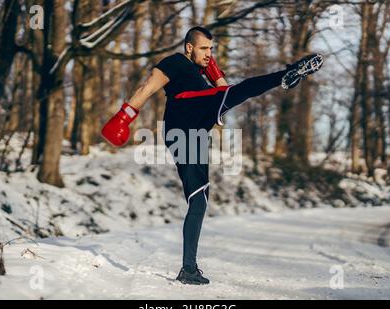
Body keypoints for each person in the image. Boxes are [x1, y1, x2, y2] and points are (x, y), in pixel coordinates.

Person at [101, 26, 323, 285]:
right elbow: (148, 88)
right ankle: (286, 75)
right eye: (204, 48)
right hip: (184, 112)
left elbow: (225, 92)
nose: (209, 54)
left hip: (193, 131)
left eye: (211, 49)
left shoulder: (201, 72)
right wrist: (125, 116)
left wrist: (212, 70)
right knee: (241, 89)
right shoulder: (174, 62)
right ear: (188, 47)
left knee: (199, 200)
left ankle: (189, 269)